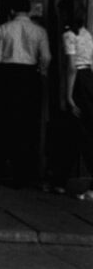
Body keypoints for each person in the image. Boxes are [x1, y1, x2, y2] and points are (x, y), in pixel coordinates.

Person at [0, 0, 51, 187]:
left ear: (12, 10)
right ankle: (22, 174)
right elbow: (46, 57)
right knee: (27, 125)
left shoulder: (3, 29)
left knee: (3, 123)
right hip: (30, 77)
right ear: (29, 10)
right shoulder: (39, 31)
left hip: (6, 76)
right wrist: (41, 71)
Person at [60, 10, 93, 201]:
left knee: (80, 129)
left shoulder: (69, 35)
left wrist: (68, 95)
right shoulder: (87, 35)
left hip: (78, 81)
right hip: (89, 78)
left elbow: (72, 66)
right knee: (85, 129)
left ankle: (62, 179)